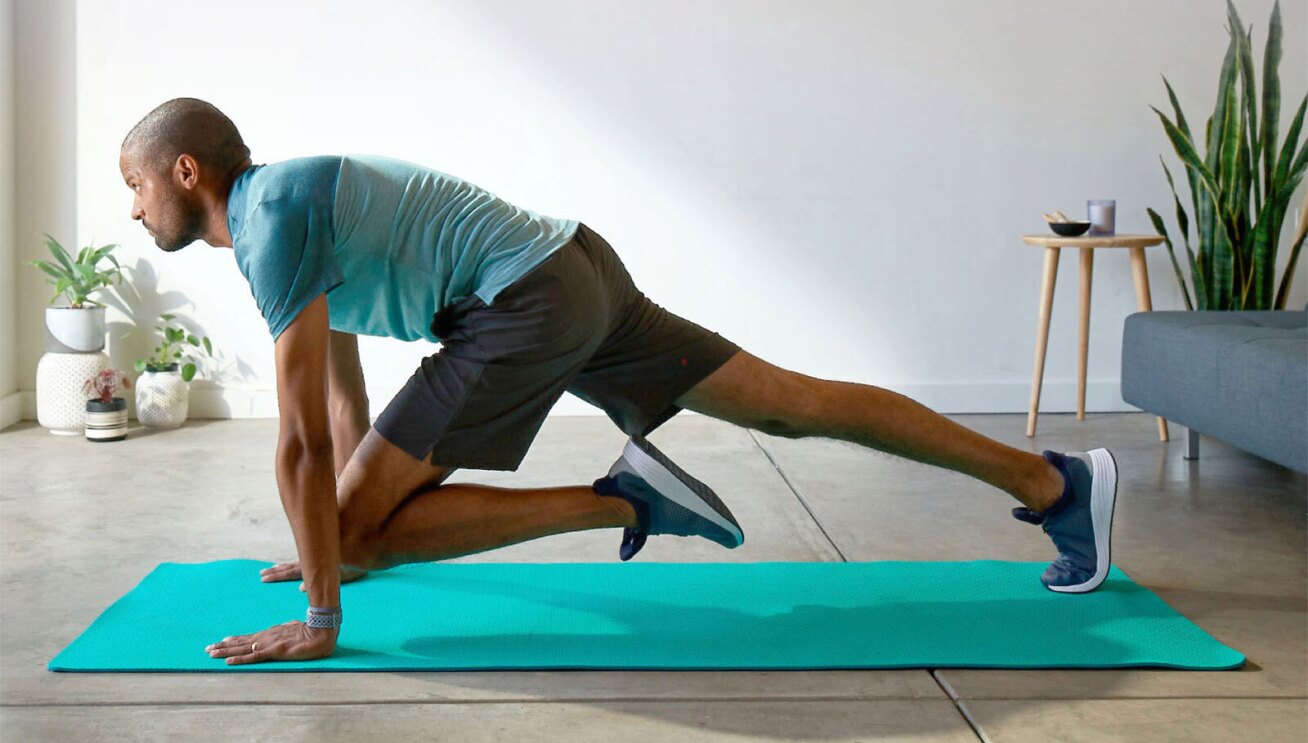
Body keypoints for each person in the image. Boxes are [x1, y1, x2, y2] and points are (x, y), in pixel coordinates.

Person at [118, 98, 1118, 666]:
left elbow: (299, 440)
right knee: (791, 402)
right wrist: (318, 534)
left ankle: (626, 495)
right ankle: (1052, 481)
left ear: (189, 170)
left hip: (523, 302)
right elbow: (338, 397)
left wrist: (325, 605)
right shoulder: (285, 201)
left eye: (137, 184)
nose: (133, 209)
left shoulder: (269, 218)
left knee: (366, 538)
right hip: (573, 267)